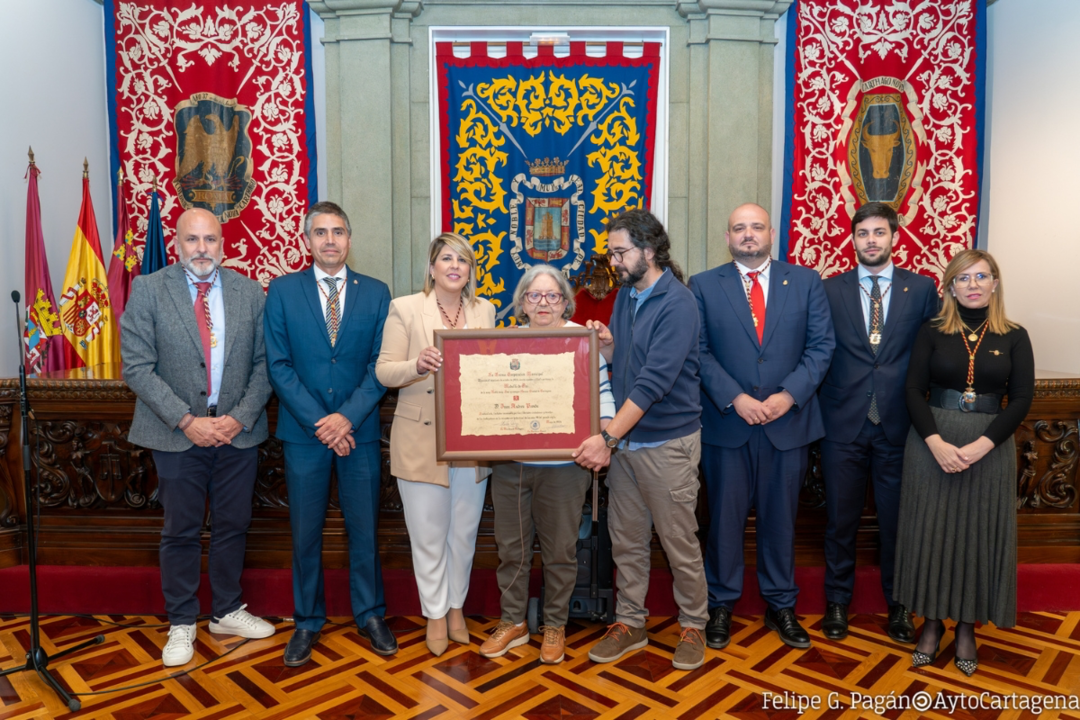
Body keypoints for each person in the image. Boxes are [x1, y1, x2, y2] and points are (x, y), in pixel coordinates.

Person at [122, 208, 275, 667]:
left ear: (223, 245)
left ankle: (227, 609)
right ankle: (182, 621)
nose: (202, 248)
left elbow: (266, 365)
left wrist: (237, 418)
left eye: (210, 239)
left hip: (236, 434)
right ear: (177, 244)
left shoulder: (250, 293)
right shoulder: (149, 289)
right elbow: (136, 367)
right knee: (181, 531)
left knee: (233, 525)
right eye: (192, 240)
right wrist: (187, 420)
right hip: (175, 435)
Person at [690, 203, 834, 650]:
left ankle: (781, 605)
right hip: (727, 424)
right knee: (724, 523)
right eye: (739, 228)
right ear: (727, 236)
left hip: (786, 422)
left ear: (772, 232)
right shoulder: (703, 285)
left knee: (779, 521)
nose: (748, 234)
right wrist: (736, 397)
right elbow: (698, 351)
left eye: (756, 227)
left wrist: (787, 395)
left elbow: (821, 346)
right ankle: (720, 605)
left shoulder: (807, 282)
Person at [573, 208, 709, 672]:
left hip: (667, 444)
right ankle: (630, 623)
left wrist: (606, 439)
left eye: (620, 252)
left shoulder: (679, 303)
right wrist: (608, 344)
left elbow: (653, 383)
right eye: (611, 253)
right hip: (629, 445)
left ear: (649, 251)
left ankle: (694, 624)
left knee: (678, 542)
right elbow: (627, 363)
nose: (613, 262)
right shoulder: (626, 298)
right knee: (626, 541)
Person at [264, 201, 395, 666]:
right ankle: (306, 621)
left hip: (357, 434)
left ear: (350, 239)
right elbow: (278, 367)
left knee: (365, 529)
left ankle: (371, 614)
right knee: (305, 534)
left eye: (338, 231)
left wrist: (347, 418)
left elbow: (380, 365)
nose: (330, 240)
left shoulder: (376, 294)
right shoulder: (281, 292)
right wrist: (323, 422)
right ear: (306, 241)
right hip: (304, 435)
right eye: (320, 232)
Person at [895, 249, 1033, 677]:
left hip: (989, 449)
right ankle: (932, 624)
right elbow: (913, 390)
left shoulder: (1015, 335)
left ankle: (968, 627)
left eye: (982, 277)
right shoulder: (931, 331)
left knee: (975, 536)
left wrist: (983, 445)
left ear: (995, 284)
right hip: (931, 443)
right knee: (931, 534)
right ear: (950, 287)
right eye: (963, 278)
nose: (973, 285)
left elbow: (1023, 398)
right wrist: (934, 441)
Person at [479, 264, 616, 664]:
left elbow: (604, 398)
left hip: (565, 467)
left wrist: (605, 437)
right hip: (510, 466)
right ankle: (513, 622)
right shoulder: (501, 345)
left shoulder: (584, 341)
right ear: (522, 303)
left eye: (552, 295)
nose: (543, 303)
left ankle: (554, 624)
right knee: (512, 551)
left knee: (560, 551)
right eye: (534, 296)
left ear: (565, 302)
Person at [818, 202, 938, 642]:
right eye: (863, 233)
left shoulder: (922, 290)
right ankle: (836, 603)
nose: (871, 240)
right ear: (853, 239)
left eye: (879, 233)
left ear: (894, 238)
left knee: (897, 523)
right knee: (840, 521)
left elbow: (934, 351)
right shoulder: (828, 290)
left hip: (899, 425)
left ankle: (900, 606)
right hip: (842, 424)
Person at [376, 232, 496, 656]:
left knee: (463, 534)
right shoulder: (405, 309)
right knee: (428, 535)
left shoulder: (486, 309)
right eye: (446, 258)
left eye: (462, 260)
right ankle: (434, 614)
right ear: (431, 267)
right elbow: (384, 372)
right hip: (421, 438)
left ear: (470, 271)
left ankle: (457, 607)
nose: (454, 266)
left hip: (471, 439)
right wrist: (417, 364)